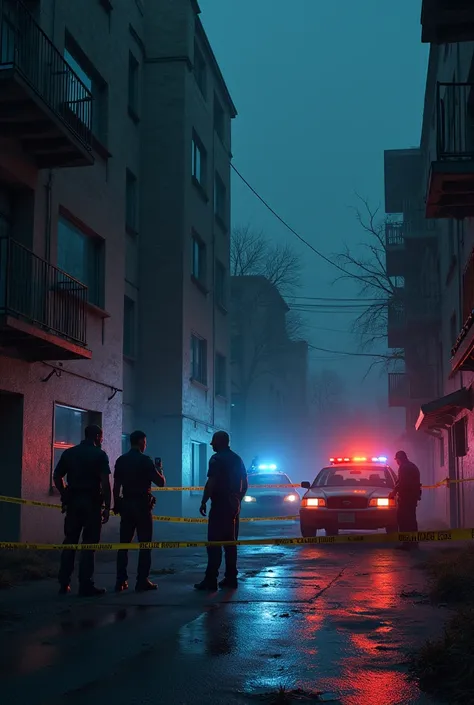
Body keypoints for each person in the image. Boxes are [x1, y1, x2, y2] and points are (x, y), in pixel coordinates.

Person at [54, 424, 111, 596]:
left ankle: (64, 583)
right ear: (97, 436)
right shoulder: (100, 455)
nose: (102, 440)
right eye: (101, 437)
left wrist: (65, 493)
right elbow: (105, 484)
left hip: (73, 504)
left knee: (70, 542)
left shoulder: (69, 453)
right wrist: (108, 507)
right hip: (92, 504)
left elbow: (57, 476)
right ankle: (86, 584)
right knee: (89, 545)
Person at [194, 431, 247, 591]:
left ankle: (211, 580)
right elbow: (245, 483)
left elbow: (212, 482)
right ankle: (231, 577)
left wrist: (204, 501)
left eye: (214, 442)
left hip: (219, 506)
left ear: (220, 442)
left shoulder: (217, 459)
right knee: (230, 543)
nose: (211, 445)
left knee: (214, 544)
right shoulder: (237, 459)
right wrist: (238, 499)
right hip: (233, 506)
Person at [113, 430, 166, 592]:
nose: (146, 445)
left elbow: (116, 486)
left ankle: (120, 581)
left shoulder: (121, 460)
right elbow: (161, 483)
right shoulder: (145, 461)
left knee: (123, 545)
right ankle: (142, 580)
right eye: (145, 442)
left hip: (127, 504)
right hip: (143, 506)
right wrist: (159, 469)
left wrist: (117, 504)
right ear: (141, 442)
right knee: (145, 544)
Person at [390, 450, 422, 550]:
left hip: (406, 498)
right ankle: (413, 542)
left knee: (403, 520)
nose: (396, 462)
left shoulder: (404, 468)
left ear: (399, 459)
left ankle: (406, 543)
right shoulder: (412, 466)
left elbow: (401, 483)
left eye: (397, 460)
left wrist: (393, 493)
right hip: (412, 498)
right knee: (411, 520)